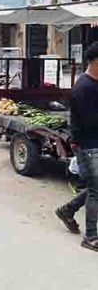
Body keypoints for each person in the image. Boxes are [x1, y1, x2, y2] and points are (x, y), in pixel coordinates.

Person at [55, 41, 98, 251]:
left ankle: (67, 210)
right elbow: (91, 122)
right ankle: (90, 236)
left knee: (96, 188)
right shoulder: (83, 88)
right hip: (88, 145)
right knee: (96, 190)